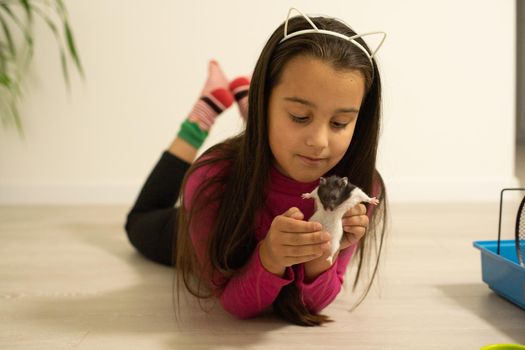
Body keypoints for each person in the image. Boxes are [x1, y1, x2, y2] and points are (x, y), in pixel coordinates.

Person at [125, 7, 388, 327]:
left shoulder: (359, 189)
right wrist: (270, 257)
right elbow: (236, 304)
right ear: (267, 101)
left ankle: (262, 117)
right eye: (300, 117)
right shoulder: (211, 179)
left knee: (282, 144)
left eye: (339, 122)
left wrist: (323, 255)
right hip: (207, 221)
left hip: (257, 162)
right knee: (137, 224)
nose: (319, 141)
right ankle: (202, 115)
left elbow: (309, 307)